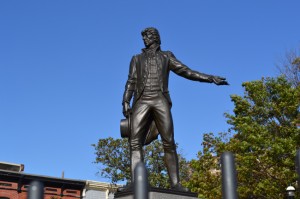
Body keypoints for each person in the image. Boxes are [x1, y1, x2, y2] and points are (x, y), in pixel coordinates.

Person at [121, 27, 228, 192]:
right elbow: (131, 81)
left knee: (169, 142)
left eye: (147, 37)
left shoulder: (166, 56)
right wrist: (125, 101)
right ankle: (137, 182)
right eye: (143, 37)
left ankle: (176, 184)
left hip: (160, 99)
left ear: (155, 38)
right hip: (141, 100)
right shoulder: (136, 59)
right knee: (135, 142)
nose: (144, 40)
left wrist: (209, 78)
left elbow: (186, 71)